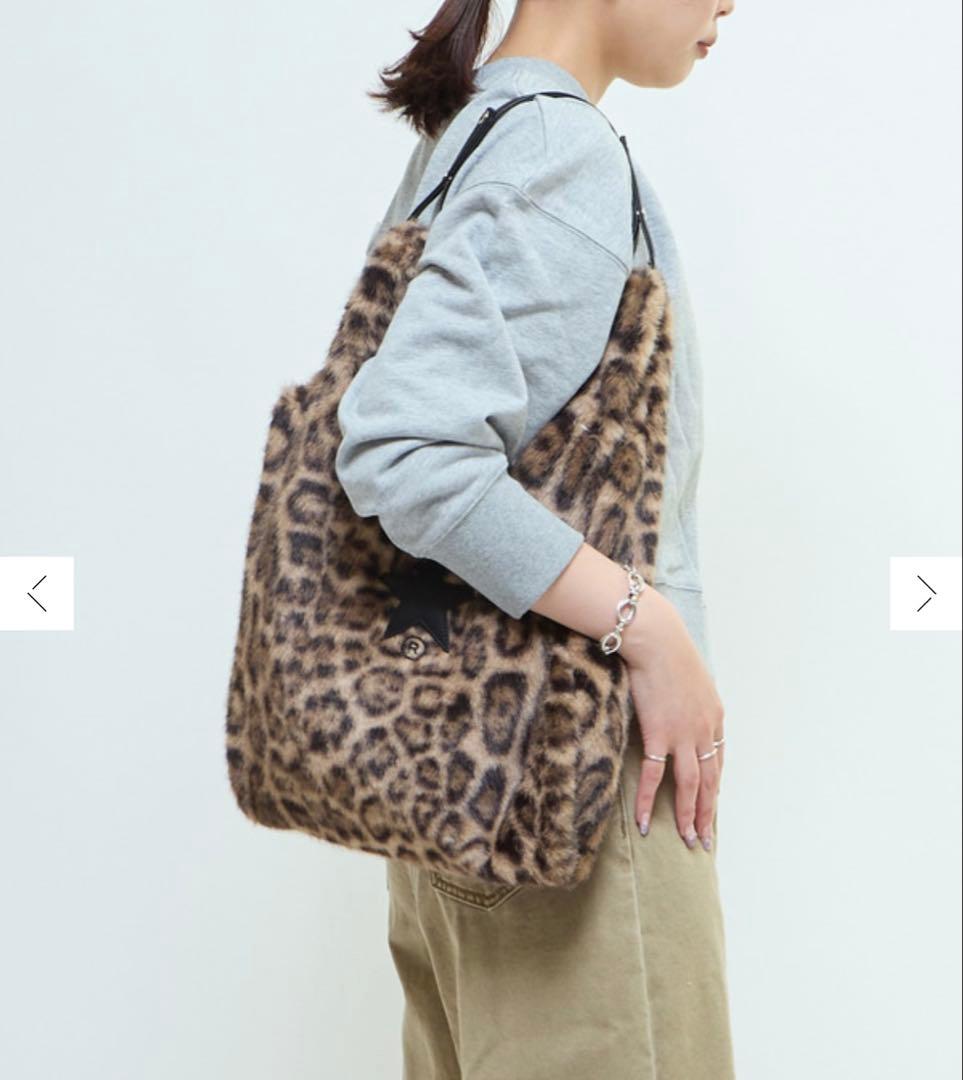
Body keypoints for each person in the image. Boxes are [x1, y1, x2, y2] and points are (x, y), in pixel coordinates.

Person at [334, 1, 737, 1077]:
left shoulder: (467, 132)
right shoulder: (556, 145)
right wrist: (648, 626)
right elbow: (406, 449)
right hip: (577, 783)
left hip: (459, 768)